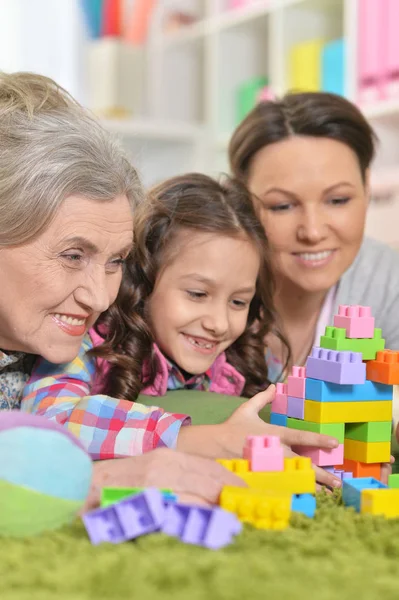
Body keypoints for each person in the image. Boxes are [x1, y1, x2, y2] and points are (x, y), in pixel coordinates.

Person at [0, 71, 249, 507]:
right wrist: (103, 482)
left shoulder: (48, 349)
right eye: (73, 255)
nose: (99, 298)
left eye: (115, 261)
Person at [22, 173, 342, 488]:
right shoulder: (88, 347)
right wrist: (192, 438)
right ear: (144, 283)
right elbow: (49, 420)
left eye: (238, 301)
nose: (218, 323)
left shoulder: (246, 363)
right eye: (197, 294)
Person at [228, 91, 399, 383]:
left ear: (367, 189)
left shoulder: (388, 281)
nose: (313, 231)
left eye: (338, 200)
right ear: (241, 201)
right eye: (282, 206)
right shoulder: (205, 281)